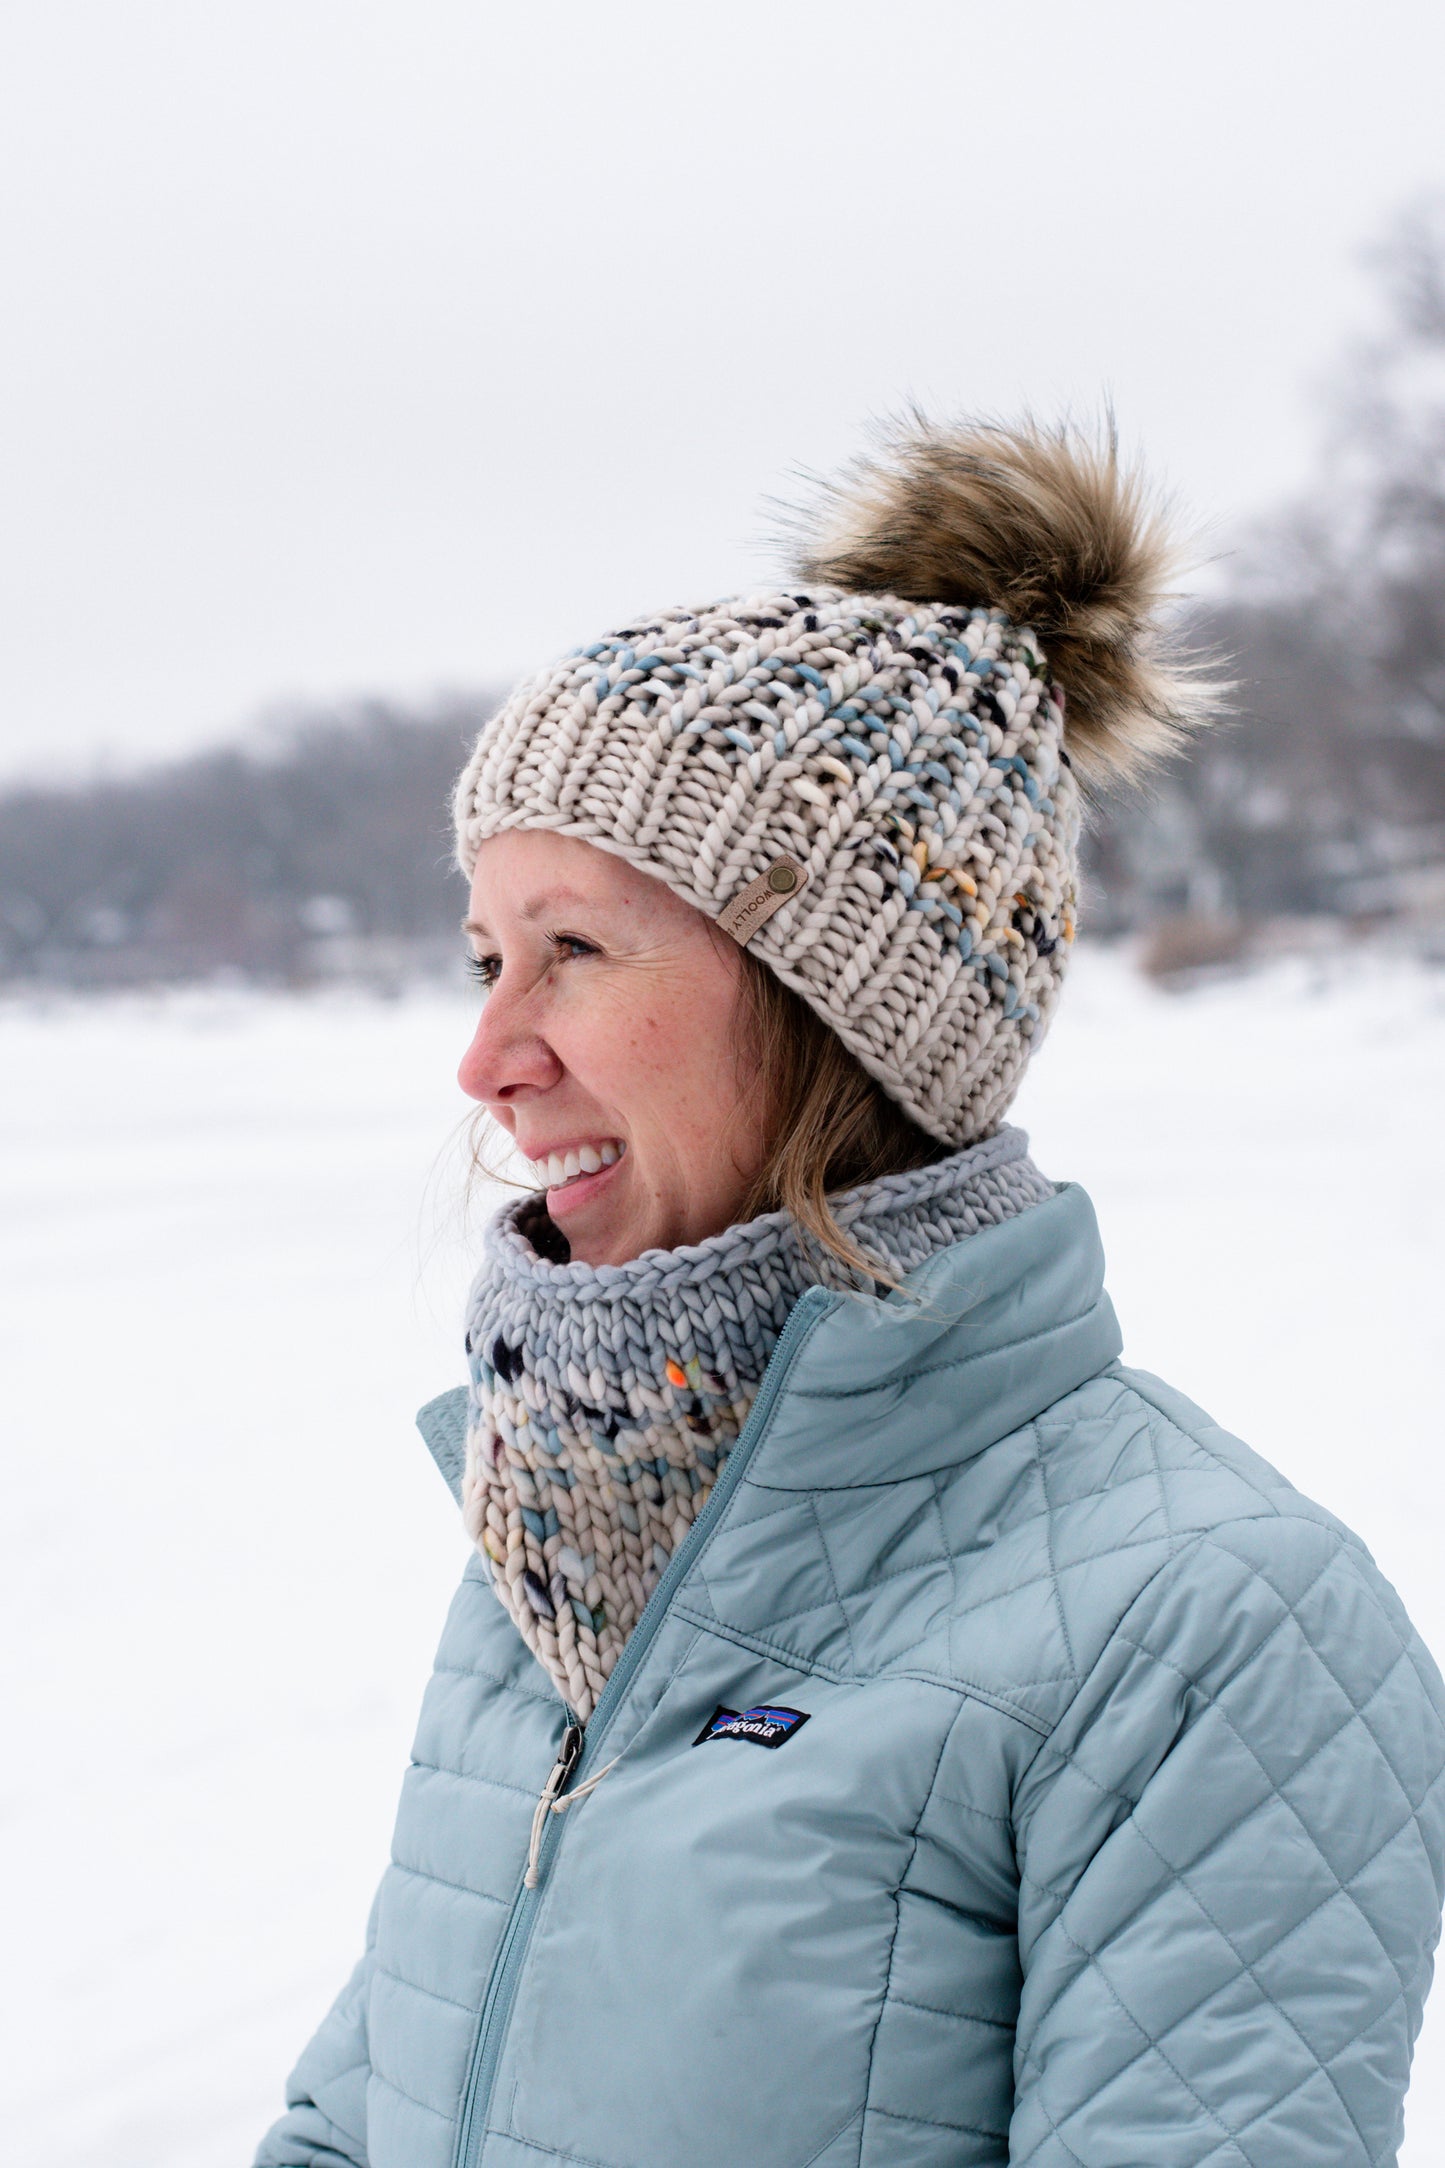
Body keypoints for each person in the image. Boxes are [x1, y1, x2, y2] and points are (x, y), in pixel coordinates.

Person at [256, 418, 1444, 2168]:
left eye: (574, 948)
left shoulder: (1208, 1621)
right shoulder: (559, 1549)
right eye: (483, 957)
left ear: (844, 1009)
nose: (487, 1057)